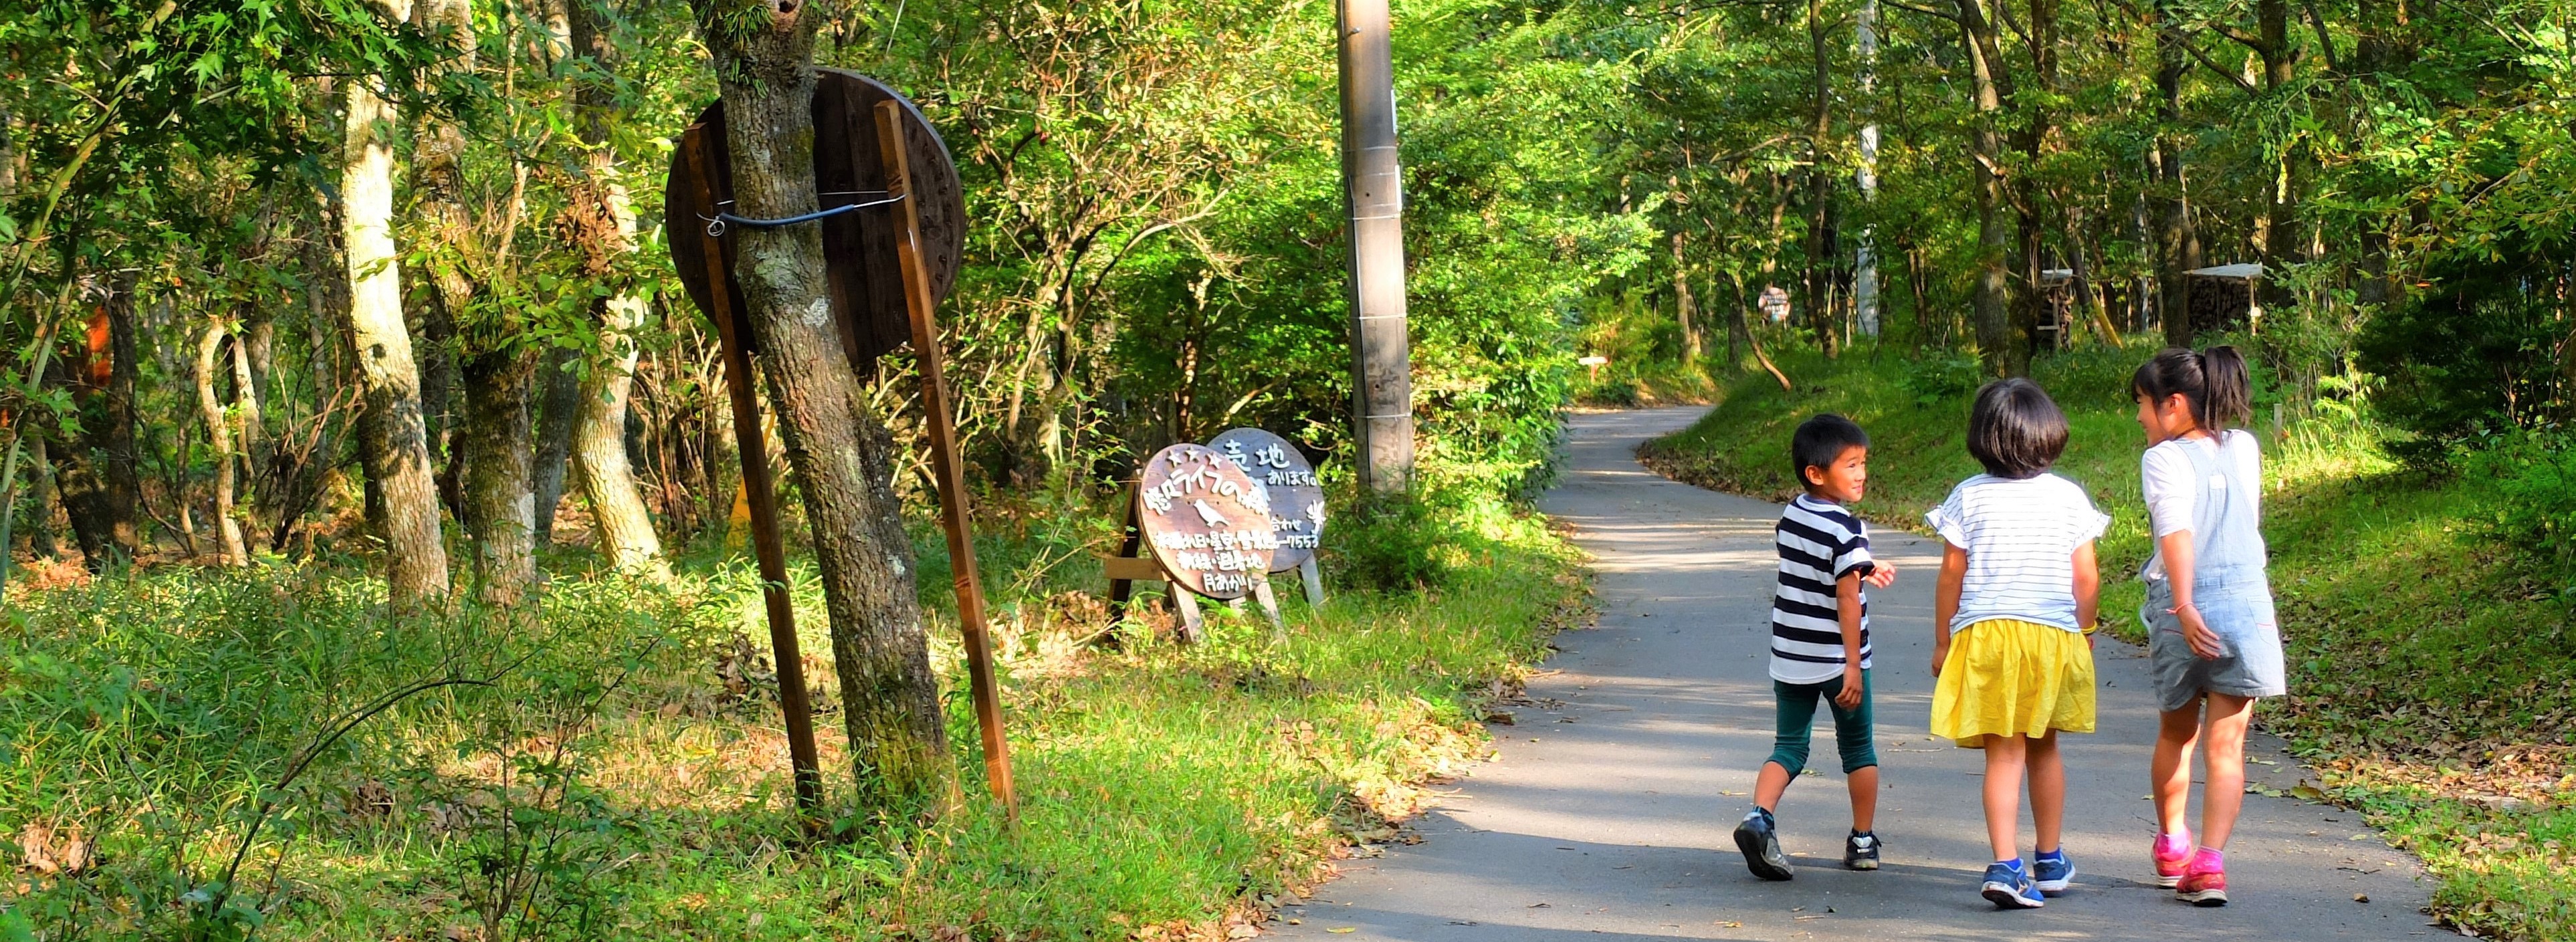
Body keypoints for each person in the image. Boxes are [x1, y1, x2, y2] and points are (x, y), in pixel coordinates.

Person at [1926, 379, 2108, 910]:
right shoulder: (2069, 496)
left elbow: (1950, 577)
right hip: (2051, 635)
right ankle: (2049, 859)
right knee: (2045, 746)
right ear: (2049, 435)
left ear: (1984, 438)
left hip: (1988, 636)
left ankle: (2006, 864)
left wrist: (1943, 640)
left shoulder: (1968, 495)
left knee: (2003, 756)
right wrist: (2087, 632)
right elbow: (2087, 578)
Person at [2132, 346, 2283, 907]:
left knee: (2177, 732)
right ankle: (2211, 863)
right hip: (2247, 605)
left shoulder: (2163, 458)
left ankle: (2173, 844)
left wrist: (2187, 604)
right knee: (2228, 744)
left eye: (2144, 405)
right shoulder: (2243, 446)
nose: (2141, 417)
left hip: (2183, 606)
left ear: (2173, 405)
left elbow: (2176, 531)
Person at [1733, 415, 1899, 880]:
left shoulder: (1791, 515)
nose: (1862, 472)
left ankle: (1759, 817)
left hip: (1790, 655)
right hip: (1838, 658)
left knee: (1788, 747)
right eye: (1851, 464)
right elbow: (1845, 596)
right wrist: (1851, 664)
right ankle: (1863, 840)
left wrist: (1863, 567)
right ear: (1816, 472)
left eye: (1864, 462)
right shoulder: (1848, 528)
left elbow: (1816, 567)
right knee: (1859, 749)